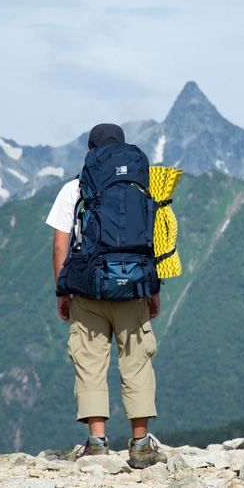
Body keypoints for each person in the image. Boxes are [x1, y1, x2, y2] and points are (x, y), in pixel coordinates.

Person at [46, 122, 167, 469]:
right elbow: (151, 243)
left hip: (88, 289)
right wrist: (153, 291)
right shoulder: (140, 186)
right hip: (133, 288)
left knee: (90, 362)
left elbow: (60, 245)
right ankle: (141, 445)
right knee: (137, 361)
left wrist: (62, 290)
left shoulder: (74, 189)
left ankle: (97, 444)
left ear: (89, 152)